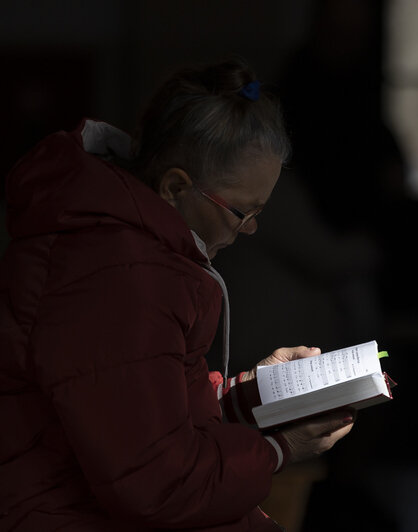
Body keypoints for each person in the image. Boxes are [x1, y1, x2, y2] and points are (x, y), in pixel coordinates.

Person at [0, 57, 355, 531]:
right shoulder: (116, 275)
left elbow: (142, 402)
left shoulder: (135, 249)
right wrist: (280, 449)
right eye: (242, 212)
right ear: (174, 187)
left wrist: (252, 393)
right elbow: (157, 484)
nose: (249, 230)